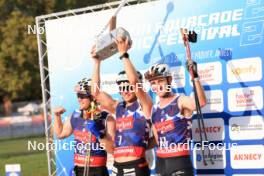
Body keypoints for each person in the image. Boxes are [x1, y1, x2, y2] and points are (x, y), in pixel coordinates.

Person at [90, 37, 153, 176]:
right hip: (117, 166)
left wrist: (124, 54)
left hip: (136, 165)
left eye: (128, 87)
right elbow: (95, 93)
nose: (125, 91)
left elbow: (134, 82)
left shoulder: (145, 103)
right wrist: (97, 62)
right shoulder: (118, 106)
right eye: (122, 87)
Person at [144, 62, 207, 176]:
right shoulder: (154, 109)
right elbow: (157, 140)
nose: (158, 85)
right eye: (153, 83)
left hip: (179, 162)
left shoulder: (180, 100)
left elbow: (201, 102)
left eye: (160, 81)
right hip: (160, 163)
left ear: (169, 80)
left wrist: (195, 78)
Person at [53, 78, 115, 176]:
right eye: (78, 95)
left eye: (82, 96)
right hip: (79, 170)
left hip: (97, 170)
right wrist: (57, 116)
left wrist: (99, 135)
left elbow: (112, 149)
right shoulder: (75, 115)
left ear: (93, 97)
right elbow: (60, 134)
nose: (79, 99)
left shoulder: (106, 118)